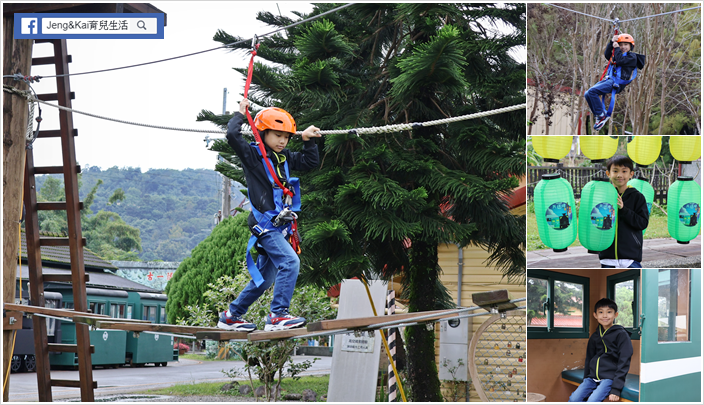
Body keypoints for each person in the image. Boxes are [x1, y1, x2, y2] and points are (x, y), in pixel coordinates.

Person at [217, 98, 321, 332]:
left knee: (265, 279)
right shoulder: (253, 157)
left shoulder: (284, 158)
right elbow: (233, 137)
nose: (283, 141)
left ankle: (232, 315)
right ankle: (278, 315)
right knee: (290, 262)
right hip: (265, 225)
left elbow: (310, 162)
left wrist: (306, 140)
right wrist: (240, 115)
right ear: (262, 133)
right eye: (277, 135)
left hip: (279, 227)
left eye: (286, 137)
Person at [569, 298, 633, 402]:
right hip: (592, 378)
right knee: (574, 399)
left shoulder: (621, 334)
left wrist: (616, 388)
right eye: (601, 312)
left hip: (609, 378)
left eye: (609, 312)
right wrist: (586, 378)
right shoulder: (595, 336)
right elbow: (589, 358)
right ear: (595, 315)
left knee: (592, 401)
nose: (604, 315)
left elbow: (624, 360)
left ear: (615, 315)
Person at [599, 155, 649, 268]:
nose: (619, 175)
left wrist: (623, 210)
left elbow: (642, 223)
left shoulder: (637, 197)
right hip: (607, 258)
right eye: (615, 171)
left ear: (631, 174)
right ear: (608, 173)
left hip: (630, 259)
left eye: (624, 171)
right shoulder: (603, 196)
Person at [584, 34, 641, 132]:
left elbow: (620, 60)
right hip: (610, 80)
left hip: (617, 83)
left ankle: (601, 115)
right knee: (587, 93)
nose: (623, 47)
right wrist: (611, 43)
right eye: (621, 44)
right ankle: (599, 115)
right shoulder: (617, 54)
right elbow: (607, 54)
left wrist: (617, 48)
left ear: (631, 46)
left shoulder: (632, 57)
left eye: (625, 45)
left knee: (592, 92)